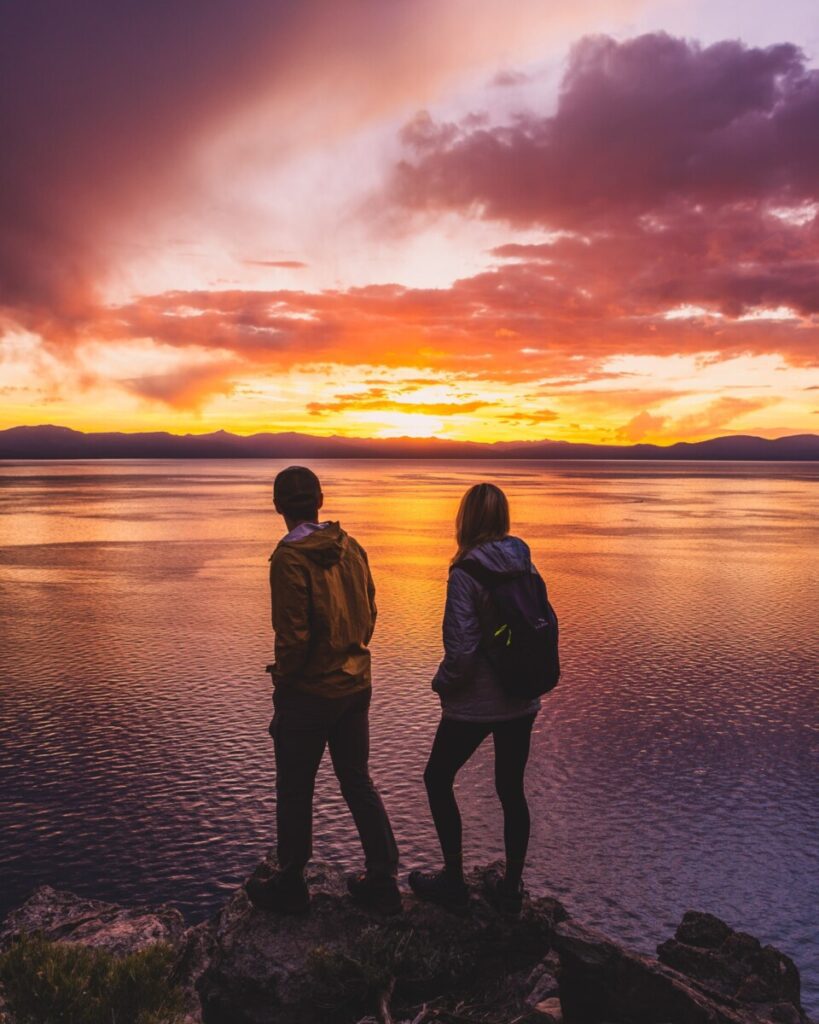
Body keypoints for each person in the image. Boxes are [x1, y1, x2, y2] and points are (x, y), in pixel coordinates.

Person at [245, 466, 400, 915]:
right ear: (320, 500)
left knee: (295, 788)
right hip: (356, 684)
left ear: (278, 507)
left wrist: (284, 678)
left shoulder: (288, 558)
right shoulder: (350, 547)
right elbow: (369, 613)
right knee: (356, 779)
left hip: (309, 693)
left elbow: (292, 637)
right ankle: (383, 878)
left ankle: (291, 883)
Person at [409, 483, 542, 914]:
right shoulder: (524, 563)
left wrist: (441, 683)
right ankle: (513, 886)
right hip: (522, 695)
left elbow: (461, 650)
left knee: (436, 778)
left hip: (475, 702)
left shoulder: (466, 571)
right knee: (510, 789)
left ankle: (452, 878)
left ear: (465, 519)